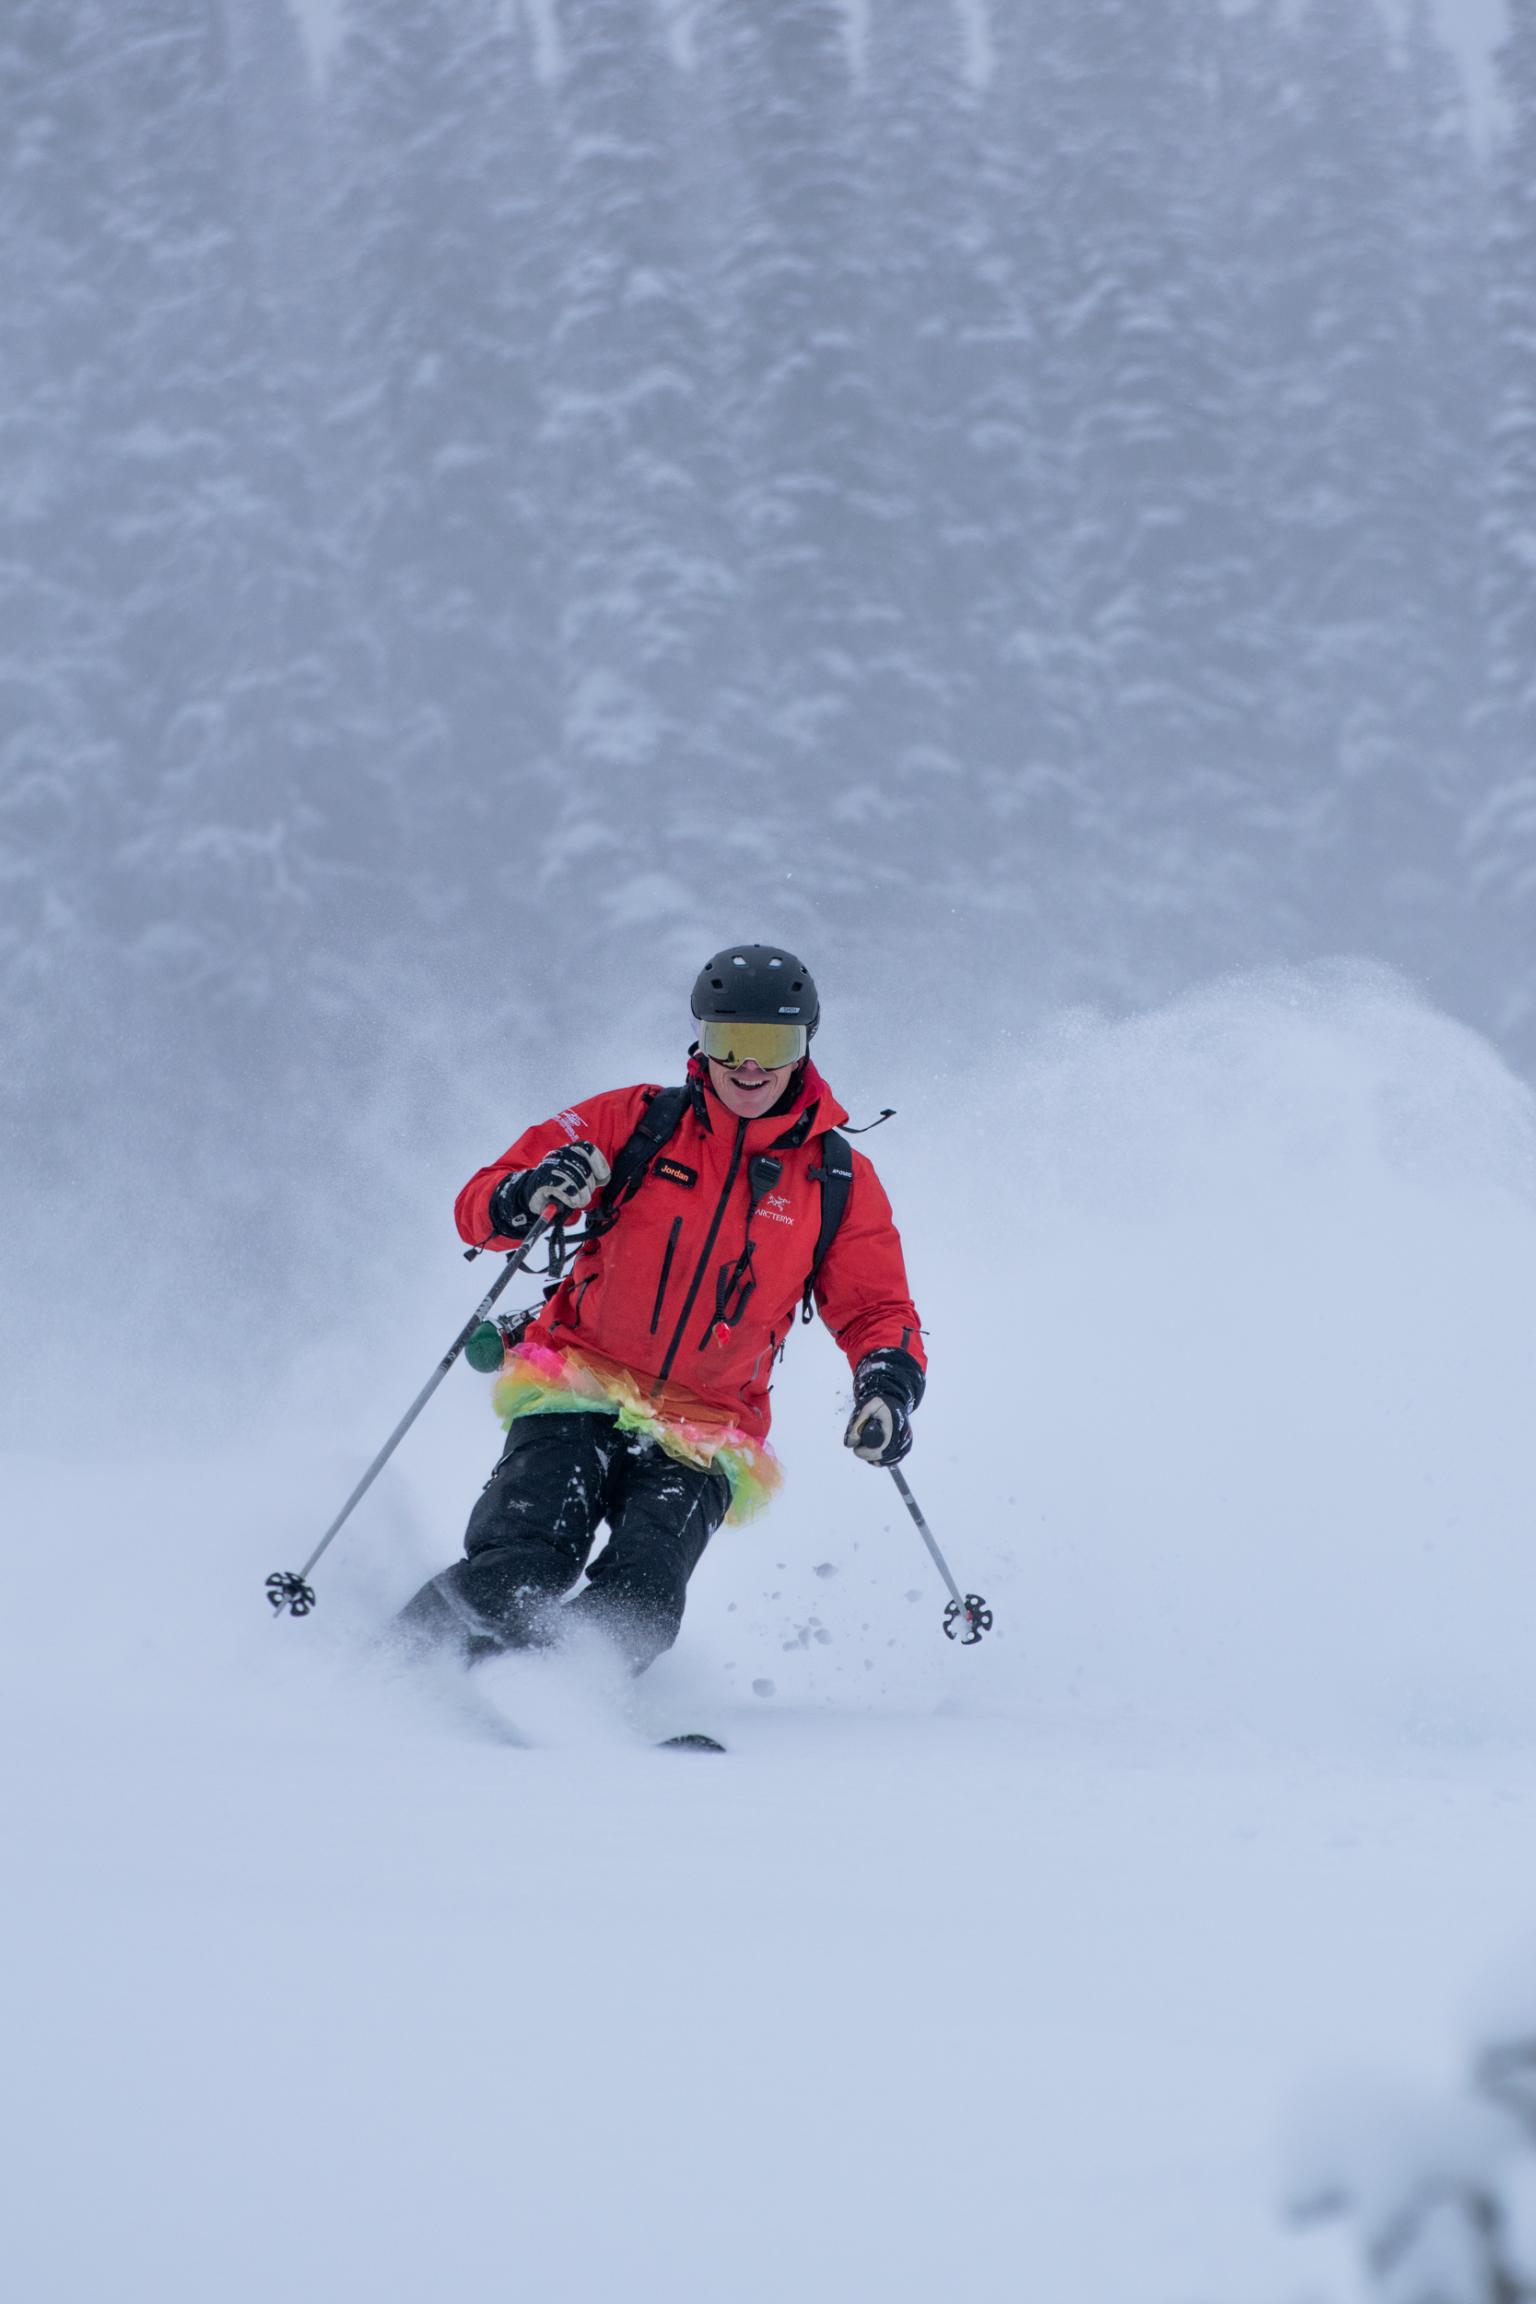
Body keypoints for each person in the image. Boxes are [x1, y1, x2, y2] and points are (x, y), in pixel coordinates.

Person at [396, 943, 926, 1672]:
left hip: (707, 1426)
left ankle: (556, 1699)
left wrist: (887, 1386)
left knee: (641, 1601)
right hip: (578, 1383)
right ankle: (395, 1673)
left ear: (805, 1047)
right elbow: (479, 1207)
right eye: (729, 1040)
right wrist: (533, 1189)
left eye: (772, 1045)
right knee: (523, 1562)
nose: (749, 1065)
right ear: (701, 1040)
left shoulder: (836, 1179)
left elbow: (877, 1307)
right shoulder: (636, 1121)